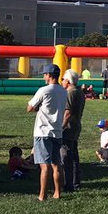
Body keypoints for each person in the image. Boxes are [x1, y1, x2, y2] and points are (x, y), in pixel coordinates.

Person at [27, 65, 67, 201]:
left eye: (44, 74)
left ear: (49, 75)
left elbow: (30, 107)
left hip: (43, 131)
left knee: (44, 166)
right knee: (57, 164)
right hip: (57, 131)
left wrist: (38, 108)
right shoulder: (63, 91)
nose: (44, 76)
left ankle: (42, 195)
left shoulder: (44, 90)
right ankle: (57, 193)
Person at [61, 69, 85, 192]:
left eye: (63, 79)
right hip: (76, 126)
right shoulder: (80, 92)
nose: (62, 82)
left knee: (66, 156)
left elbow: (67, 112)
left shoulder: (70, 93)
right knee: (74, 156)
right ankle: (76, 182)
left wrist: (62, 127)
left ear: (68, 81)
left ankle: (68, 184)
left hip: (69, 128)